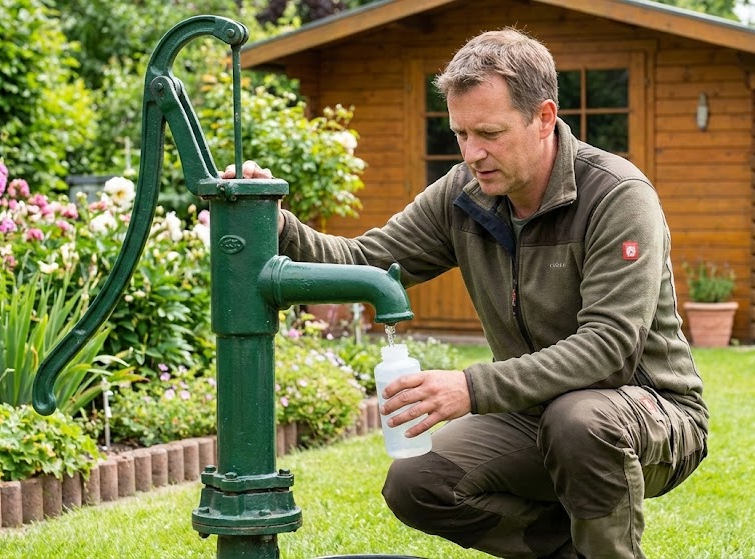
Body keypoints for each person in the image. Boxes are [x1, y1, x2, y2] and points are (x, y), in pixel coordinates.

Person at [224, 27, 707, 559]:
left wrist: (470, 387)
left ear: (544, 118)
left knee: (579, 421)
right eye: (461, 134)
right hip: (530, 411)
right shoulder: (464, 194)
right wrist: (273, 223)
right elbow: (367, 263)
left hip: (650, 412)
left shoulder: (617, 196)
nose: (473, 153)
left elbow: (609, 347)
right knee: (418, 482)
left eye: (490, 133)